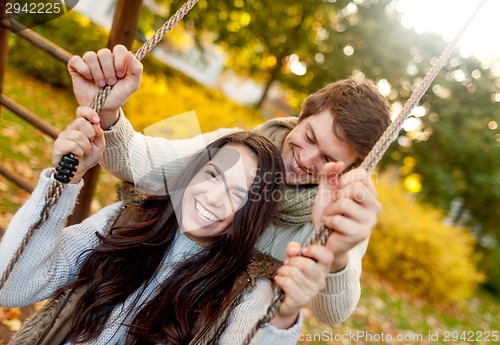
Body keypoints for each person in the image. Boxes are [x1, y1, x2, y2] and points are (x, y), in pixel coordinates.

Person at [67, 45, 392, 324]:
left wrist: (335, 255)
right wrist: (107, 114)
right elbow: (145, 164)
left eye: (327, 159)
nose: (307, 160)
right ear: (302, 115)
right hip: (152, 302)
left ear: (350, 168)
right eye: (308, 137)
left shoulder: (338, 213)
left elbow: (333, 313)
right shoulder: (238, 146)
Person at [0, 108, 332, 344]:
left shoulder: (244, 294)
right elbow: (11, 286)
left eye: (237, 195)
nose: (214, 198)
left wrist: (283, 319)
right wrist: (63, 182)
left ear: (251, 216)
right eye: (213, 176)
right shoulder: (126, 221)